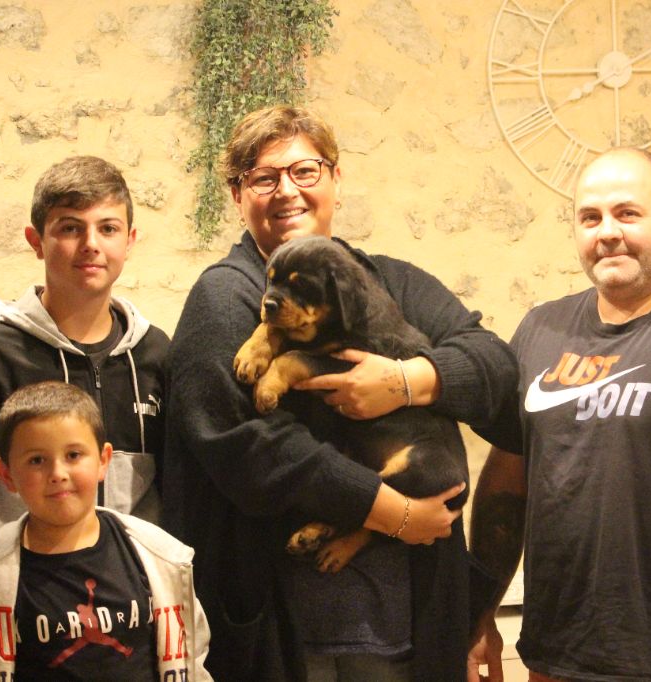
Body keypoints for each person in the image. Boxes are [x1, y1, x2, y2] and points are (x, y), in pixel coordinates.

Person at [162, 104, 518, 681]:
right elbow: (250, 446)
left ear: (334, 179)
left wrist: (404, 383)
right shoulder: (227, 296)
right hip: (295, 630)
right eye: (263, 177)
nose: (287, 190)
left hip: (411, 617)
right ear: (237, 195)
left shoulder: (390, 280)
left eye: (305, 171)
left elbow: (495, 367)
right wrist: (394, 514)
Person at [468, 147, 651, 682]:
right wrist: (479, 612)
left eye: (627, 213)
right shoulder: (540, 331)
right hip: (553, 653)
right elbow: (506, 485)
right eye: (590, 217)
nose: (607, 232)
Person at [0, 156, 167, 558]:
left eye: (108, 228)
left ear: (129, 241)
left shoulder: (155, 355)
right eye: (70, 228)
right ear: (36, 241)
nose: (91, 244)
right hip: (19, 591)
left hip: (132, 591)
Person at [0, 381, 211, 680]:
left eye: (74, 455)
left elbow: (192, 656)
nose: (58, 474)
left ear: (103, 460)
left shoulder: (162, 557)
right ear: (6, 474)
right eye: (37, 460)